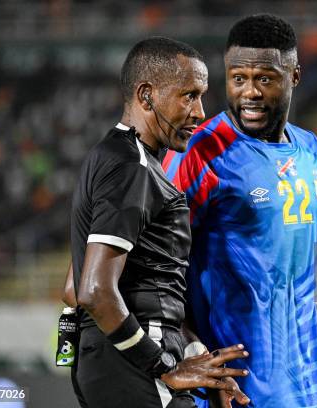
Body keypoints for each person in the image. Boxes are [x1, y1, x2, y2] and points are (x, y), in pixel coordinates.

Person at [164, 14, 317, 408]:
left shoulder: (310, 151)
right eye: (238, 78)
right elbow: (156, 271)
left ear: (295, 77)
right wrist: (193, 353)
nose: (249, 92)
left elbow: (299, 279)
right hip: (239, 393)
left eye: (265, 79)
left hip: (313, 391)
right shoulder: (200, 151)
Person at [67, 37, 250, 408]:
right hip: (135, 369)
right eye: (189, 95)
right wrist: (163, 365)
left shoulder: (112, 158)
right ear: (146, 95)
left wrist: (198, 357)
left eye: (201, 96)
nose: (200, 112)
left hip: (112, 363)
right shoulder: (133, 169)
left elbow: (74, 287)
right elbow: (94, 290)